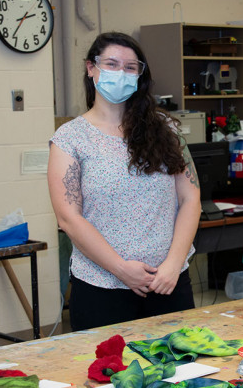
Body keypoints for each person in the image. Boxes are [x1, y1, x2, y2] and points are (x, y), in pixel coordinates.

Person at [48, 32, 200, 331]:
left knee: (182, 373)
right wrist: (121, 269)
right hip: (102, 288)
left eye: (131, 67)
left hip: (167, 282)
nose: (122, 73)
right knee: (107, 375)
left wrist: (173, 264)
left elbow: (191, 198)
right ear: (91, 68)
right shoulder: (70, 138)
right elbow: (68, 218)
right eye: (112, 64)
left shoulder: (164, 129)